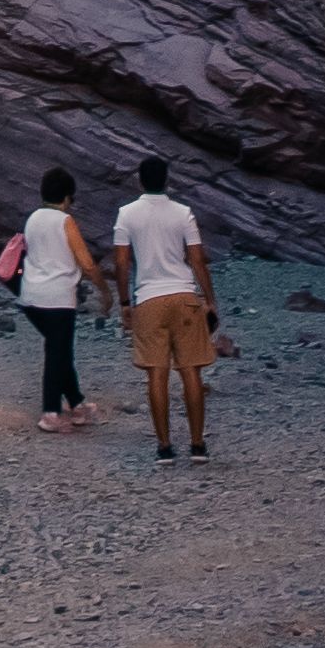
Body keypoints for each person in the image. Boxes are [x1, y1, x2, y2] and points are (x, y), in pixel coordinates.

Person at [114, 156, 218, 457]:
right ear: (167, 180)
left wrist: (124, 302)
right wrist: (210, 300)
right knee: (191, 372)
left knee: (156, 374)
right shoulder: (183, 214)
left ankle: (164, 447)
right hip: (184, 297)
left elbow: (121, 262)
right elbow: (197, 260)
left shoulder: (126, 215)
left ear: (139, 180)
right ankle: (198, 445)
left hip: (148, 299)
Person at [8, 166, 97, 425]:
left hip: (30, 297)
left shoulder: (32, 218)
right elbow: (87, 262)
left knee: (59, 349)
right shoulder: (65, 221)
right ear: (67, 197)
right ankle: (50, 412)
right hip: (58, 298)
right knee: (57, 351)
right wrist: (104, 289)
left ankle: (77, 403)